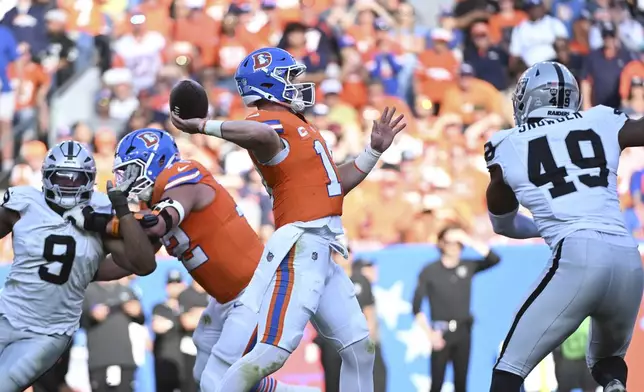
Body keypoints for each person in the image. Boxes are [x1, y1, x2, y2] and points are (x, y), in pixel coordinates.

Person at [170, 46, 406, 392]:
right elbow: (261, 135)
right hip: (299, 247)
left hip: (322, 247)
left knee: (360, 347)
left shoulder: (296, 125)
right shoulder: (263, 122)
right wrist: (205, 126)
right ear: (268, 85)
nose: (298, 83)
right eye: (290, 78)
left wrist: (372, 153)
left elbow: (333, 185)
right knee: (271, 353)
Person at [81, 128, 316, 392]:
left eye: (131, 172)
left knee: (219, 381)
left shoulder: (183, 175)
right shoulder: (152, 203)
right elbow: (140, 262)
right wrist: (85, 272)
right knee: (205, 375)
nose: (125, 180)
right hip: (226, 299)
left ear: (156, 162)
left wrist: (105, 220)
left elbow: (157, 225)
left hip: (254, 292)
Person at [485, 60, 644, 392]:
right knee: (607, 363)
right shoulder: (602, 119)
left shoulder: (506, 144)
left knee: (508, 368)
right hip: (628, 257)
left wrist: (537, 230)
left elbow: (503, 222)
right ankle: (614, 386)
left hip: (578, 252)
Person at [0, 140, 156, 391]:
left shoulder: (100, 213)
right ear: (47, 177)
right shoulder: (24, 203)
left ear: (90, 179)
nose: (68, 184)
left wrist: (122, 210)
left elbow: (144, 264)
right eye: (62, 177)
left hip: (47, 332)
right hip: (5, 313)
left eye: (76, 178)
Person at [412, 226, 500, 392]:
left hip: (463, 331)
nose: (454, 247)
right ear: (441, 244)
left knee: (461, 383)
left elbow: (494, 259)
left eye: (458, 243)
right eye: (449, 242)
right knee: (436, 383)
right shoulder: (430, 271)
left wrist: (468, 239)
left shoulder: (467, 266)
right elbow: (416, 306)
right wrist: (430, 334)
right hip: (441, 332)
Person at [82, 277, 146, 392]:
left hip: (125, 359)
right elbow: (79, 322)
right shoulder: (87, 291)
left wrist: (137, 312)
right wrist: (92, 315)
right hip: (99, 360)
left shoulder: (127, 290)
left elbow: (142, 319)